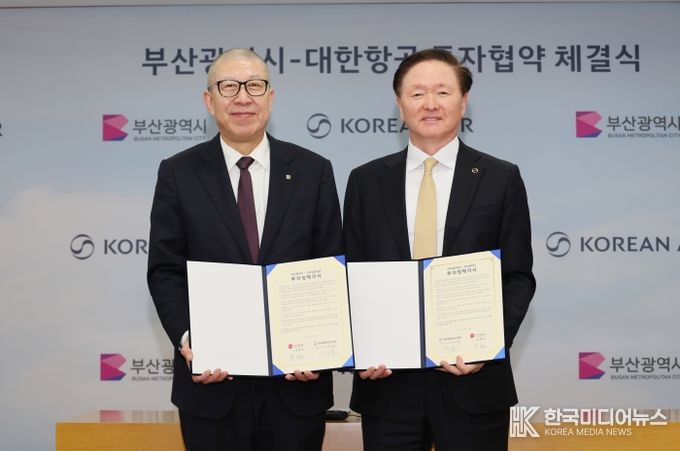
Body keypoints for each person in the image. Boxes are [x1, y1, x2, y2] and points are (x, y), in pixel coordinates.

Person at [147, 48, 343, 451]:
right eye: (228, 87)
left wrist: (319, 347)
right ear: (209, 100)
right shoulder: (178, 172)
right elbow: (165, 269)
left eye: (254, 86)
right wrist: (191, 338)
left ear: (271, 97)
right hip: (211, 389)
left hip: (296, 386)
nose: (242, 98)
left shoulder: (313, 170)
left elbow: (330, 267)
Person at [343, 48, 536, 451]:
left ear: (464, 101)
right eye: (417, 93)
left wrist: (488, 346)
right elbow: (351, 276)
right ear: (399, 105)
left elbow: (518, 277)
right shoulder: (365, 181)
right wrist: (360, 349)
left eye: (443, 92)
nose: (430, 103)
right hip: (387, 384)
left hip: (473, 383)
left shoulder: (500, 177)